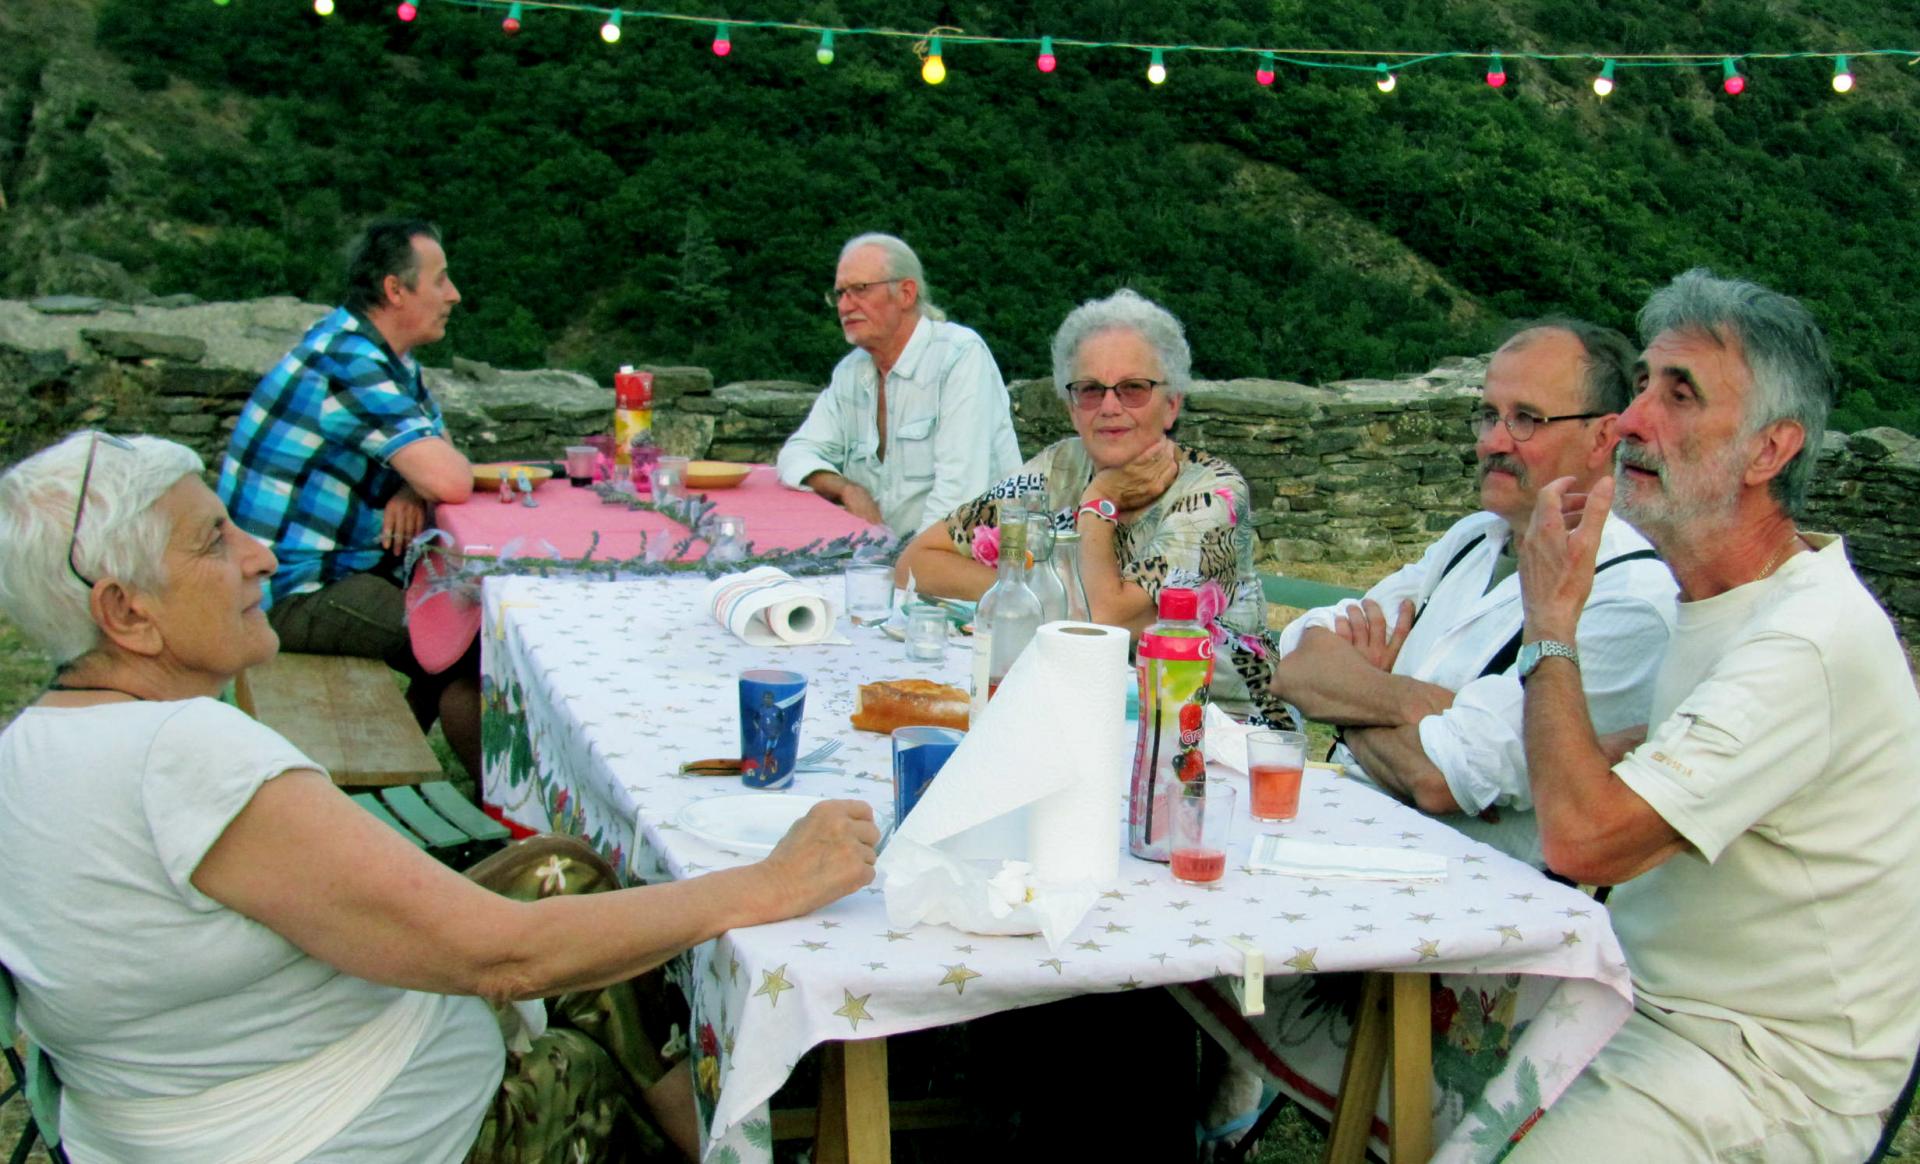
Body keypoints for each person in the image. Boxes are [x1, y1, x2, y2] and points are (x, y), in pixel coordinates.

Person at [0, 431, 880, 1162]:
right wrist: (770, 884)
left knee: (564, 872)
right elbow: (504, 961)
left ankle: (709, 1138)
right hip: (344, 1135)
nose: (260, 556)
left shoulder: (35, 745)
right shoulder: (184, 755)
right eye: (214, 541)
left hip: (166, 1109)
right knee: (584, 1064)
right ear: (124, 612)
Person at [1505, 270, 1920, 1159]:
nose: (1630, 421)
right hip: (1638, 998)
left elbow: (1582, 839)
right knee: (1375, 1024)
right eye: (1643, 383)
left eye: (1679, 394)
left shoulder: (1807, 638)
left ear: (1771, 451)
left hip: (1763, 1069)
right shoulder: (1710, 598)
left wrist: (1550, 624)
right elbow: (1618, 792)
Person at [1267, 322, 1677, 864]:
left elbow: (1439, 779)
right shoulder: (1475, 538)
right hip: (1346, 845)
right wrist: (1417, 704)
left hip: (1466, 905)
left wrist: (1348, 702)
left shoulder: (1628, 598)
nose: (1493, 442)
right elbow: (1296, 664)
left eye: (1526, 419)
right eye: (1489, 415)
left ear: (1603, 436)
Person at [897, 287, 1289, 724]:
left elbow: (1102, 622)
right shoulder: (1060, 466)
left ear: (1172, 404)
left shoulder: (1212, 494)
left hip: (1216, 730)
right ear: (1070, 407)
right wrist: (1031, 598)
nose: (1108, 407)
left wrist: (1098, 504)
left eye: (1133, 389)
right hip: (1084, 708)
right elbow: (916, 563)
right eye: (1089, 390)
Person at [217, 218, 482, 776]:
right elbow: (454, 479)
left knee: (459, 624)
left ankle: (404, 768)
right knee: (471, 641)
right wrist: (426, 475)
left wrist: (413, 481)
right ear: (395, 289)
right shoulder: (349, 363)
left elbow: (440, 455)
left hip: (333, 568)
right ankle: (472, 794)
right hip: (290, 589)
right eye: (440, 280)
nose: (453, 295)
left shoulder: (382, 355)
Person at [776, 232, 1022, 539]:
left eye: (859, 290)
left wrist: (901, 573)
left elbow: (958, 500)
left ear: (906, 293)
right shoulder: (850, 372)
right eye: (839, 294)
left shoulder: (958, 357)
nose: (844, 305)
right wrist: (848, 490)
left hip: (965, 562)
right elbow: (795, 454)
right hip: (881, 558)